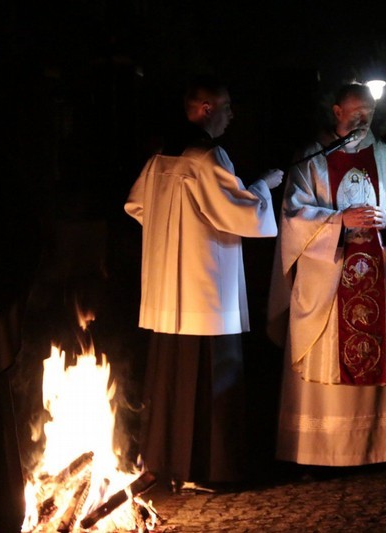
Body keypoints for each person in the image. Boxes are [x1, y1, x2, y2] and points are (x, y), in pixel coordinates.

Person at [124, 74, 283, 492]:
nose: (232, 115)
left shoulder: (160, 159)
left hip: (167, 289)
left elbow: (137, 205)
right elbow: (239, 213)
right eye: (226, 106)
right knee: (213, 374)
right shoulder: (207, 156)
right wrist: (263, 186)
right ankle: (210, 468)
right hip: (206, 288)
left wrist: (170, 233)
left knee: (172, 378)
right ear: (206, 108)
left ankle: (167, 461)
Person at [267, 82, 386, 470]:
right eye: (356, 113)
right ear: (337, 112)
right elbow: (293, 216)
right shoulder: (312, 159)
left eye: (369, 113)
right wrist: (338, 222)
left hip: (377, 275)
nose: (364, 120)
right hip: (329, 282)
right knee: (326, 356)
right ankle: (319, 454)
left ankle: (383, 450)